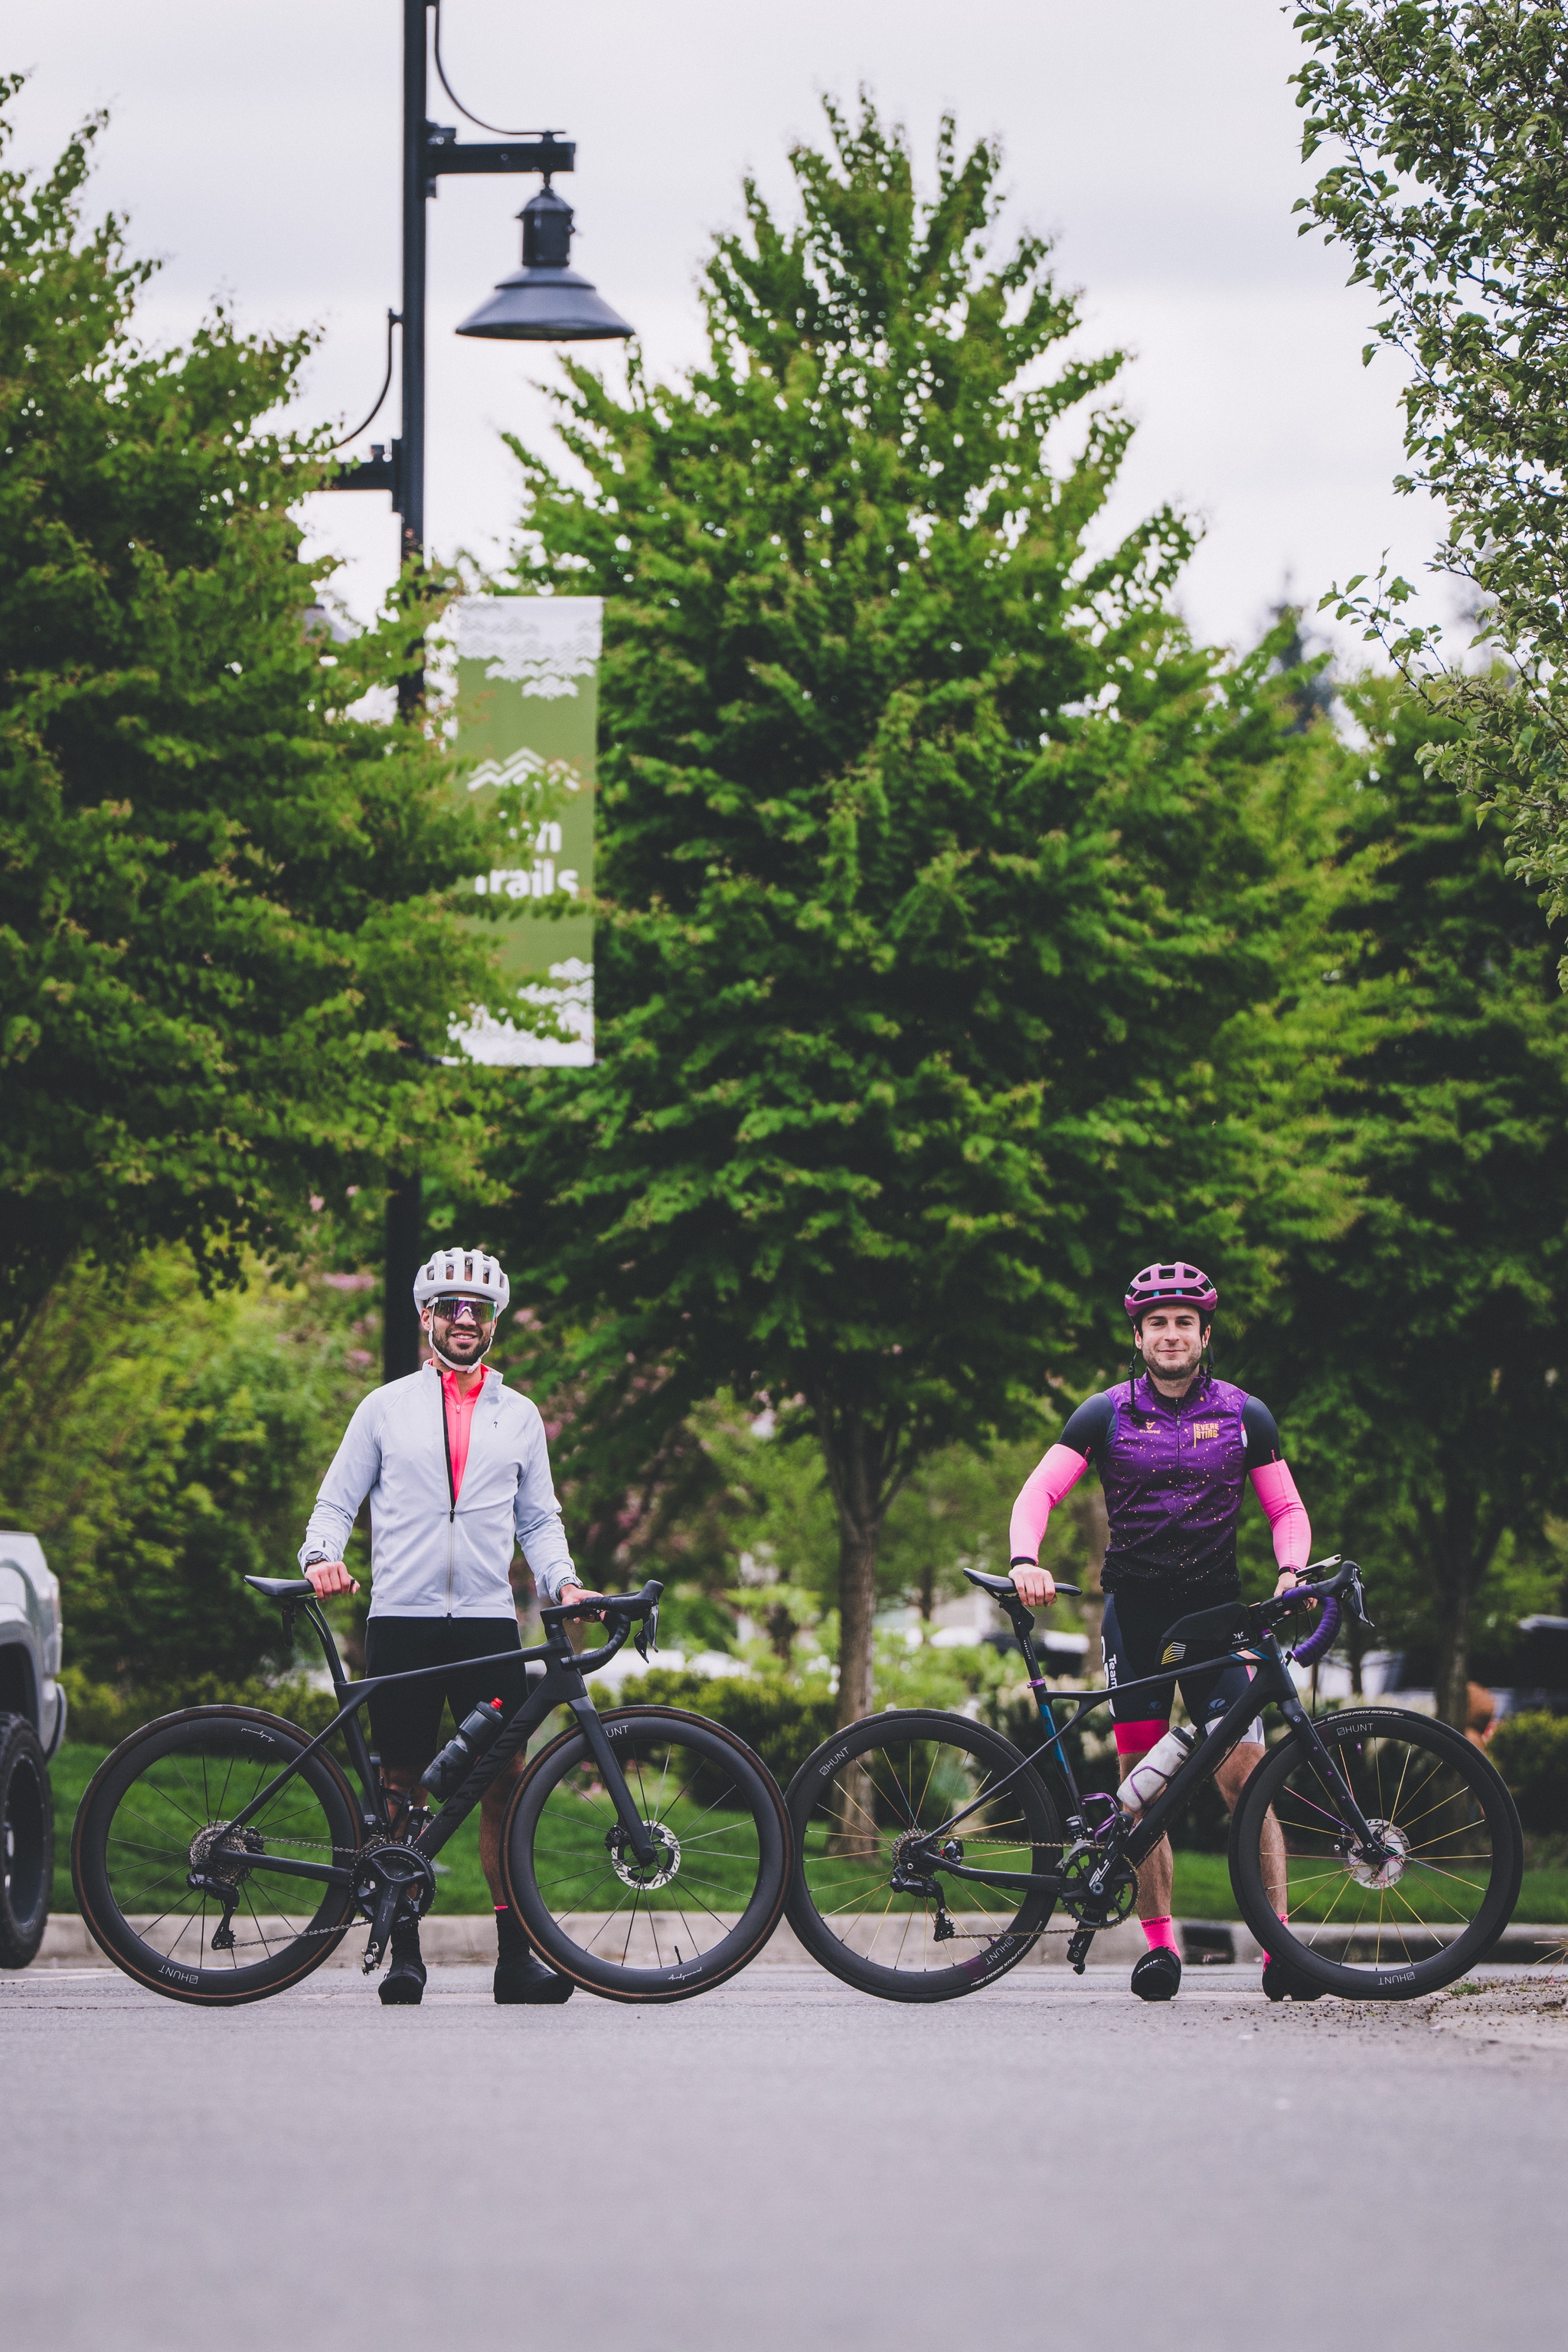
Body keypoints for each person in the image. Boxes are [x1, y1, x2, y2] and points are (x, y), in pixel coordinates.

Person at [1008, 1261, 1315, 2004]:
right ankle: (1157, 1947)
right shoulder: (1102, 1414)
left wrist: (1289, 1572)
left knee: (1246, 1779)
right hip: (1136, 1618)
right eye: (1156, 1323)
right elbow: (1039, 1490)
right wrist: (1024, 1558)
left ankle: (1279, 1943)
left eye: (1183, 1322)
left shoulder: (1246, 1415)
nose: (1169, 1334)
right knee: (1140, 1787)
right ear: (1138, 1337)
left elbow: (1286, 1512)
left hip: (1216, 1620)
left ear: (1202, 1334)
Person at [299, 1245, 593, 2009]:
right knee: (398, 1785)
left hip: (488, 1622)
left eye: (480, 1310)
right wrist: (321, 1557)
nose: (466, 1320)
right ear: (425, 1317)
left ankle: (513, 1958)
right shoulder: (384, 1407)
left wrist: (562, 1581)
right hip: (402, 1617)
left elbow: (539, 1520)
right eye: (451, 1308)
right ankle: (402, 1954)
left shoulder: (518, 1414)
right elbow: (336, 1503)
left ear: (492, 1323)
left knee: (505, 1783)